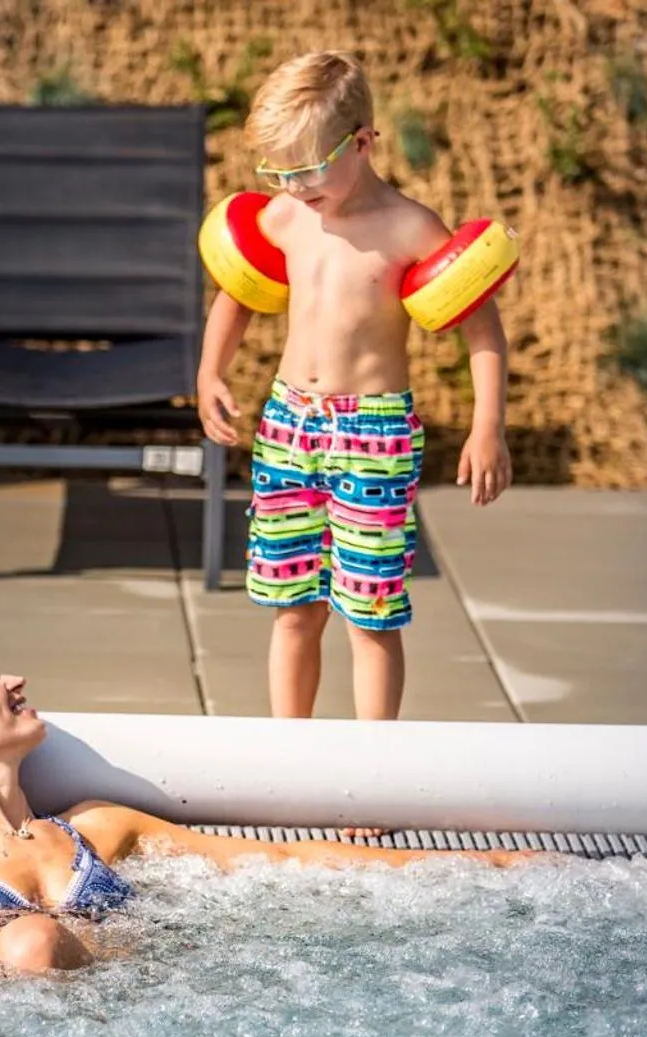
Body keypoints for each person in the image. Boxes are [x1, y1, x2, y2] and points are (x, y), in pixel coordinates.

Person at [0, 642, 527, 974]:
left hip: (98, 1019)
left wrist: (476, 860)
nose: (15, 677)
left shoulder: (100, 828)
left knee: (32, 939)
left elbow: (280, 859)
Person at [195, 50, 513, 723]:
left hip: (373, 432)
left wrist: (488, 427)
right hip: (288, 424)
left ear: (364, 142)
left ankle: (370, 773)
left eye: (309, 168)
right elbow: (238, 295)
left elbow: (480, 330)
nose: (295, 184)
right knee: (293, 609)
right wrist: (209, 372)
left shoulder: (410, 227)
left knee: (369, 613)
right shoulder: (286, 216)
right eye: (279, 171)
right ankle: (292, 757)